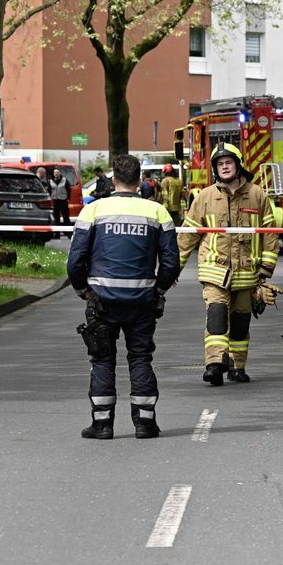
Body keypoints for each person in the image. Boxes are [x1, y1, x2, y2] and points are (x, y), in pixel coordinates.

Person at [67, 154, 180, 440]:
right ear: (140, 180)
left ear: (114, 179)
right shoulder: (158, 212)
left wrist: (83, 290)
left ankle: (102, 424)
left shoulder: (93, 211)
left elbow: (75, 260)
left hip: (102, 300)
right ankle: (144, 423)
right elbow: (170, 263)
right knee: (141, 358)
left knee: (102, 360)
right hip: (142, 301)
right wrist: (159, 291)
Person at [177, 142, 279, 386]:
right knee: (217, 315)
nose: (224, 167)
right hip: (215, 271)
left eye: (228, 163)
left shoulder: (257, 195)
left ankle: (237, 366)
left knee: (241, 323)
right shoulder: (205, 197)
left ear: (238, 164)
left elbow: (270, 234)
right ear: (215, 168)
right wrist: (172, 270)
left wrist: (265, 273)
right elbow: (187, 236)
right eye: (220, 164)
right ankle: (214, 364)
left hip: (247, 274)